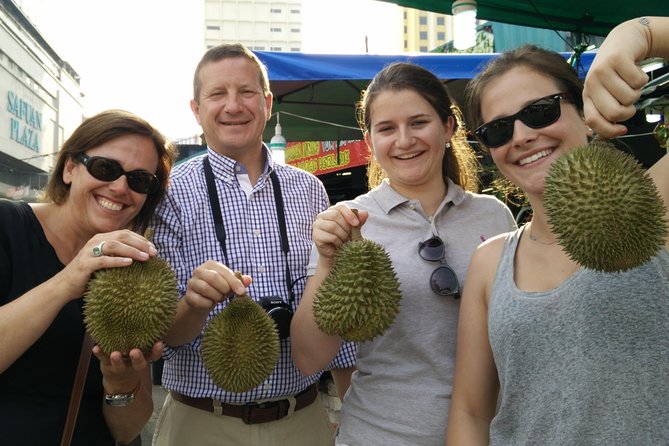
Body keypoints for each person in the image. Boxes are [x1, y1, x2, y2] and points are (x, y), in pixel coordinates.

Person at [447, 17, 669, 446]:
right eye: (498, 129)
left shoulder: (654, 201)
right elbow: (470, 411)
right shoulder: (490, 262)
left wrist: (637, 34)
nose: (524, 135)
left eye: (540, 111)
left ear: (582, 111)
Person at [290, 62, 516, 446]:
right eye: (387, 128)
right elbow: (310, 358)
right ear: (370, 140)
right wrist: (328, 261)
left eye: (418, 122)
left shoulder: (494, 216)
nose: (404, 140)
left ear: (448, 127)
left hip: (488, 433)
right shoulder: (350, 224)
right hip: (379, 435)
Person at [150, 43, 356, 446]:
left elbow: (334, 307)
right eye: (217, 94)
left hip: (302, 417)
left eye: (246, 92)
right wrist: (194, 301)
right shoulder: (168, 195)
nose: (233, 106)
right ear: (196, 109)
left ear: (266, 102)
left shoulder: (310, 190)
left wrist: (353, 409)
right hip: (200, 422)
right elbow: (165, 334)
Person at [0, 109, 176, 445]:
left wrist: (121, 383)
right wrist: (68, 281)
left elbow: (127, 430)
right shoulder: (7, 227)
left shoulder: (135, 267)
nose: (120, 187)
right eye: (105, 168)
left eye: (140, 180)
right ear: (69, 168)